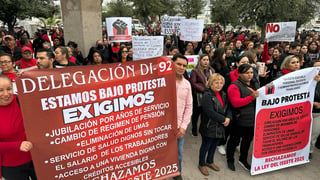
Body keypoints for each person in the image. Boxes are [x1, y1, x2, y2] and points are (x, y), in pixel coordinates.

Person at [0, 75, 37, 179]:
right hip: (12, 166)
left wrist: (29, 76)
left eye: (9, 89)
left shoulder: (22, 100)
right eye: (0, 90)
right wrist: (17, 146)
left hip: (37, 159)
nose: (6, 94)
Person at [226, 64, 259, 171]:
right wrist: (251, 97)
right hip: (239, 120)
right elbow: (235, 103)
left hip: (252, 120)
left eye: (251, 72)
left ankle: (243, 159)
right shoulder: (234, 86)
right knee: (234, 141)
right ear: (240, 74)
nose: (250, 75)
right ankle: (230, 159)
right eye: (247, 73)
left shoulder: (255, 84)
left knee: (247, 141)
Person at [198, 73, 231, 176]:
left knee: (214, 145)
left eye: (221, 83)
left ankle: (210, 161)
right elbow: (210, 112)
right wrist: (223, 119)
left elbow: (228, 107)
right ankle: (202, 163)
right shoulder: (207, 95)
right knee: (206, 146)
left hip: (220, 126)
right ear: (211, 83)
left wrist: (229, 118)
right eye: (216, 83)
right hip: (209, 126)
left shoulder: (223, 94)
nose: (219, 85)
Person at [172, 54, 193, 180]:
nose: (181, 67)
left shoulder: (187, 84)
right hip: (162, 127)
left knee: (178, 154)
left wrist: (184, 127)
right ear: (172, 63)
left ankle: (177, 173)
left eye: (184, 66)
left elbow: (189, 107)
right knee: (162, 153)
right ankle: (162, 173)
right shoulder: (161, 81)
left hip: (179, 128)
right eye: (179, 64)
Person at [190, 54, 215, 136]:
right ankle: (194, 128)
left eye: (207, 60)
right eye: (204, 60)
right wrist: (204, 89)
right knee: (196, 114)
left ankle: (202, 129)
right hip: (198, 96)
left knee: (205, 114)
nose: (206, 61)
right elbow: (193, 83)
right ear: (200, 60)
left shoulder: (212, 70)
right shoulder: (195, 71)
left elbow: (214, 80)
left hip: (209, 95)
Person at [310, 60, 320, 159]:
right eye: (316, 67)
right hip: (306, 111)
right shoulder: (306, 79)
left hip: (317, 113)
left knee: (314, 133)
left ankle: (309, 151)